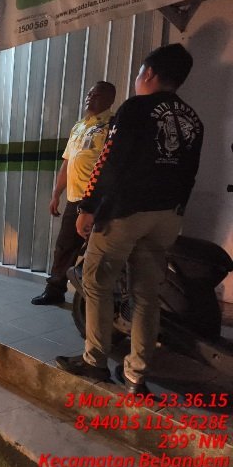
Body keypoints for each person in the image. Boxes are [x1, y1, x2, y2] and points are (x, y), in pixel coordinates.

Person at [56, 44, 203, 394]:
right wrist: (176, 211)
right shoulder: (192, 119)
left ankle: (94, 361)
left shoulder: (136, 108)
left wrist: (88, 207)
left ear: (149, 73)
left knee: (96, 282)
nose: (138, 78)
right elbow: (190, 173)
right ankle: (137, 374)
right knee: (147, 294)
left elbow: (111, 162)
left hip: (126, 213)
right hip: (167, 217)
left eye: (139, 72)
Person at [32, 81, 116, 305]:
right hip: (74, 199)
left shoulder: (113, 125)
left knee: (98, 251)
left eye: (96, 95)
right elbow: (67, 163)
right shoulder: (79, 126)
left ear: (109, 99)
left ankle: (93, 298)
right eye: (89, 94)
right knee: (64, 247)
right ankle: (54, 290)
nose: (90, 98)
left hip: (97, 202)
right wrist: (56, 194)